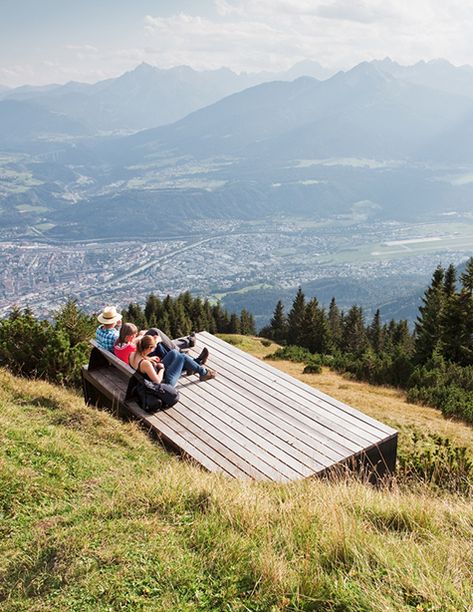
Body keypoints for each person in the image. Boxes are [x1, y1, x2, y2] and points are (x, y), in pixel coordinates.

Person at [129, 335, 216, 387]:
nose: (155, 348)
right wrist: (162, 369)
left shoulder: (133, 354)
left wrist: (151, 359)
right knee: (182, 357)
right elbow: (157, 381)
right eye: (154, 347)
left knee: (174, 353)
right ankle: (203, 373)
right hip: (166, 382)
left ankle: (193, 366)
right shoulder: (145, 364)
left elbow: (142, 364)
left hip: (155, 371)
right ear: (148, 348)